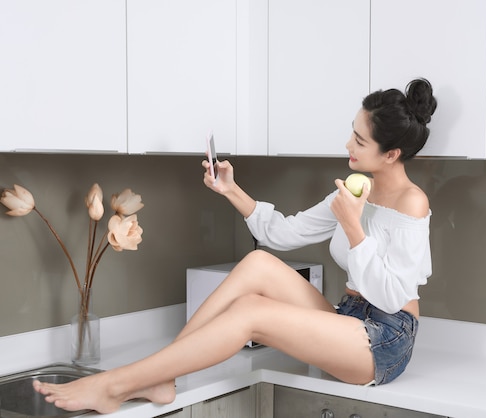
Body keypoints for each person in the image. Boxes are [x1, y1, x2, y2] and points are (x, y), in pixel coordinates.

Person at [33, 78, 437, 414]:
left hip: (384, 340)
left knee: (251, 311)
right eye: (352, 130)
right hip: (348, 318)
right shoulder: (354, 191)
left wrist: (353, 228)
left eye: (360, 140)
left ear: (392, 154)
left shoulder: (411, 203)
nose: (348, 144)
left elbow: (390, 294)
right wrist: (230, 189)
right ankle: (161, 378)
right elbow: (282, 234)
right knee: (258, 261)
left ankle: (117, 384)